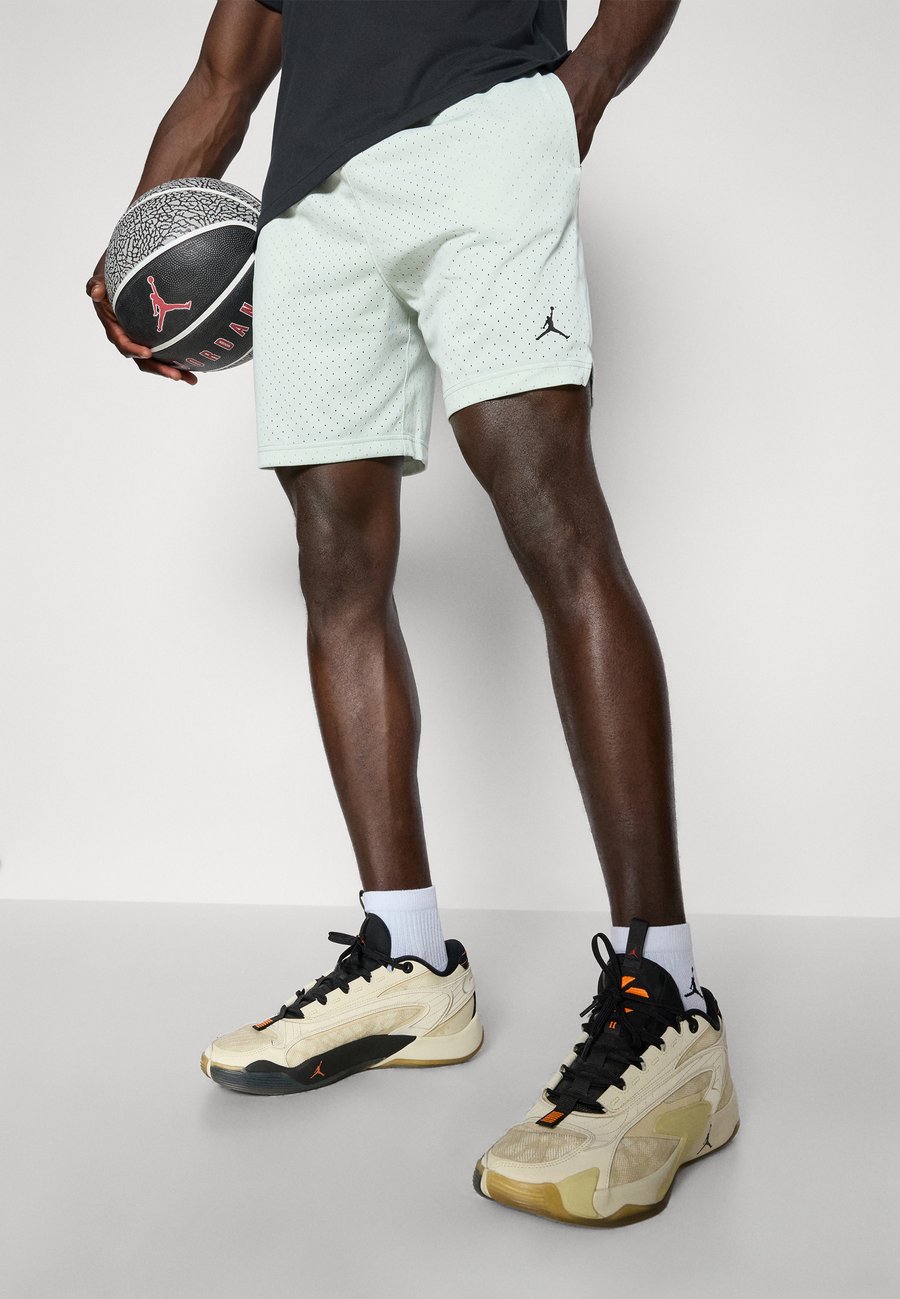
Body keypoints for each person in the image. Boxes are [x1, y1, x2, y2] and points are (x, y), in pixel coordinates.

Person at [87, 0, 739, 1226]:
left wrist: (577, 94)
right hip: (310, 214)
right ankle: (410, 962)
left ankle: (668, 996)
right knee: (336, 567)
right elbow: (225, 73)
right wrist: (138, 246)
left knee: (552, 518)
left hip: (482, 140)